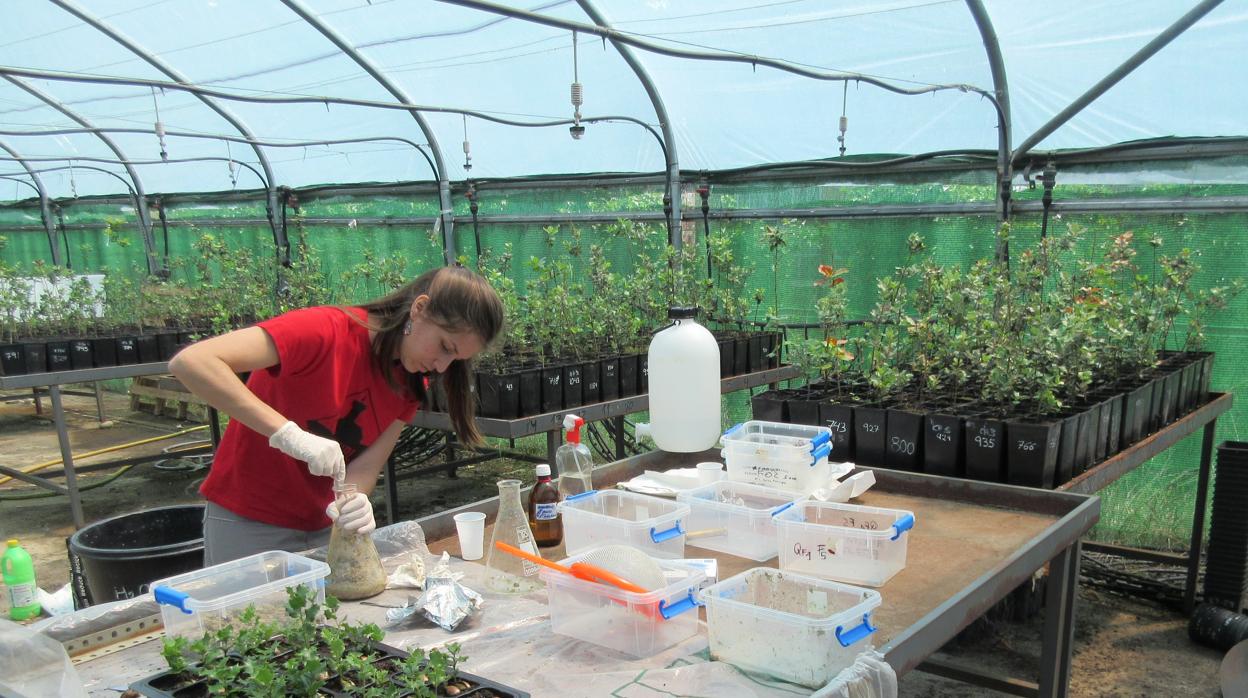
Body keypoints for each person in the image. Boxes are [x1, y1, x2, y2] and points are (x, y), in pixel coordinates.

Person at [170, 265, 503, 565]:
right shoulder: (323, 332)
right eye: (445, 347)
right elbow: (192, 362)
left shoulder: (410, 383)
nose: (443, 366)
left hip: (322, 527)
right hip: (249, 520)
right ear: (419, 309)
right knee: (248, 628)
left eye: (455, 360)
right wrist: (288, 434)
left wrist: (353, 501)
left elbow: (365, 467)